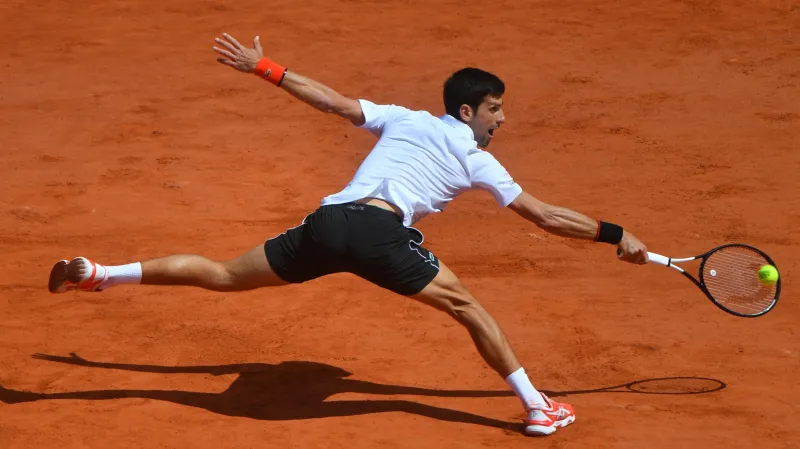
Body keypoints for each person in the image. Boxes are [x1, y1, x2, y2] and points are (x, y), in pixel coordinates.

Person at [48, 32, 649, 436]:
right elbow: (544, 217)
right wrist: (614, 233)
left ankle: (102, 274)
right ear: (468, 112)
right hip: (379, 232)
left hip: (330, 221)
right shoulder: (477, 158)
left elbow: (333, 103)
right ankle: (537, 410)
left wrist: (265, 67)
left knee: (225, 274)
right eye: (495, 108)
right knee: (468, 308)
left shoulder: (406, 118)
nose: (501, 118)